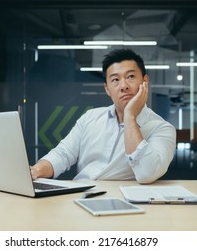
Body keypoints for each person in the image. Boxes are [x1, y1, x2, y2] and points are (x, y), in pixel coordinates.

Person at [30, 49, 176, 184]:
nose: (123, 86)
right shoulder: (90, 118)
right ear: (107, 89)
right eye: (115, 80)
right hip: (81, 196)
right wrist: (35, 171)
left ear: (145, 81)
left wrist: (130, 117)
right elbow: (63, 154)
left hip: (124, 203)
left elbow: (147, 174)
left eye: (130, 76)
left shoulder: (162, 128)